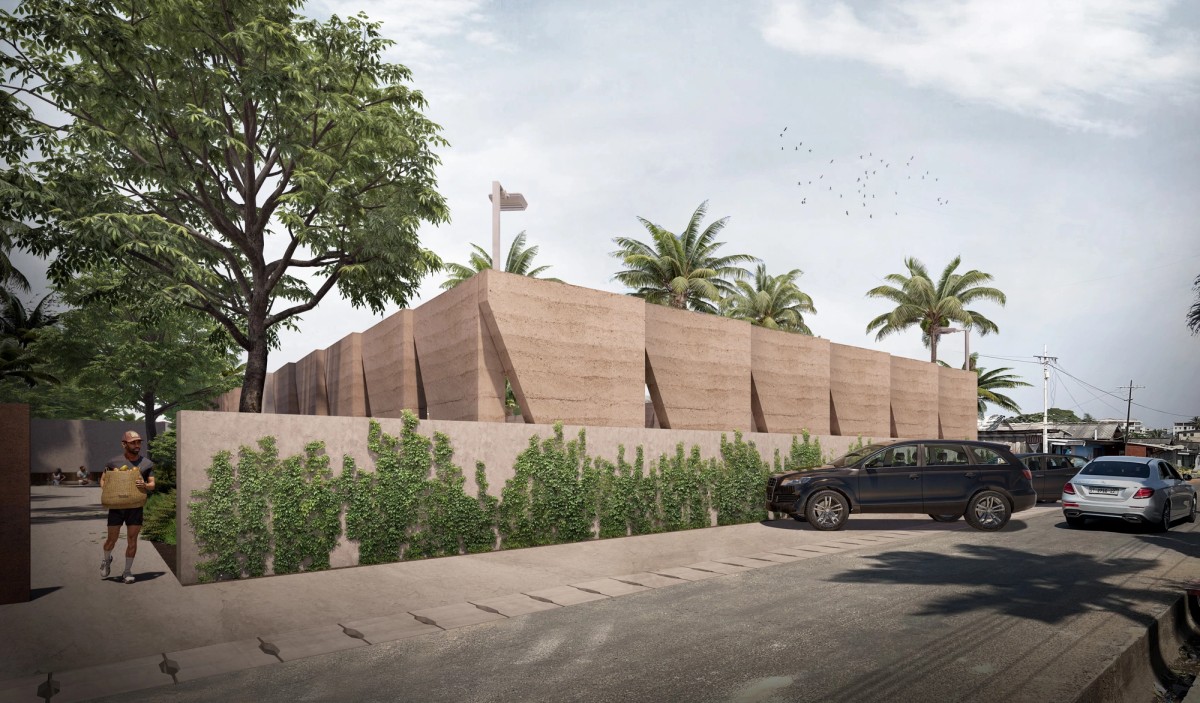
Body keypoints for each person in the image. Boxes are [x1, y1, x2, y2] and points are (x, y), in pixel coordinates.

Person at [100, 430, 155, 584]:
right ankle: (106, 559)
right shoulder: (113, 463)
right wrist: (110, 491)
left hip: (135, 507)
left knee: (132, 540)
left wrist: (144, 485)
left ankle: (127, 571)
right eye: (133, 442)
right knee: (112, 539)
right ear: (124, 444)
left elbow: (152, 484)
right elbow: (103, 480)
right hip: (116, 508)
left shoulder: (146, 464)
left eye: (139, 442)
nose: (137, 445)